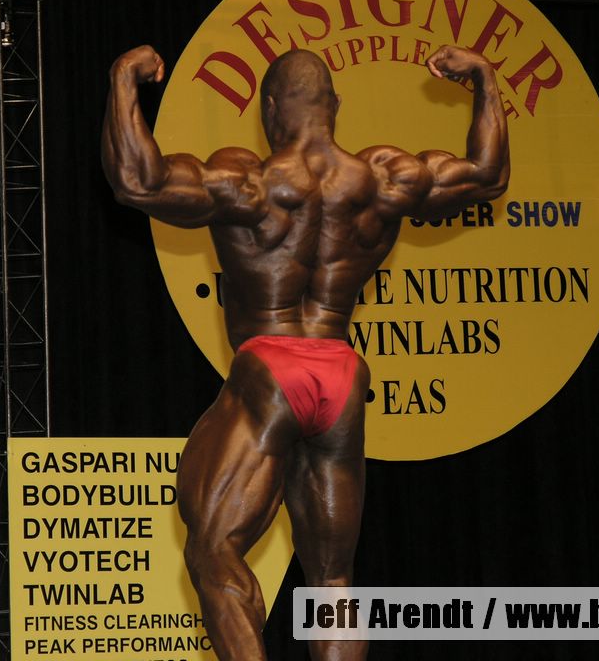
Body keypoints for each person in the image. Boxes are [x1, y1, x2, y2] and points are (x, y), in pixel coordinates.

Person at [102, 43, 509, 661]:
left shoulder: (250, 181)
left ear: (270, 109)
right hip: (340, 374)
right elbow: (488, 174)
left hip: (271, 368)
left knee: (213, 551)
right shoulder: (384, 178)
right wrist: (483, 78)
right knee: (332, 579)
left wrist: (123, 81)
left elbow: (138, 180)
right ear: (334, 106)